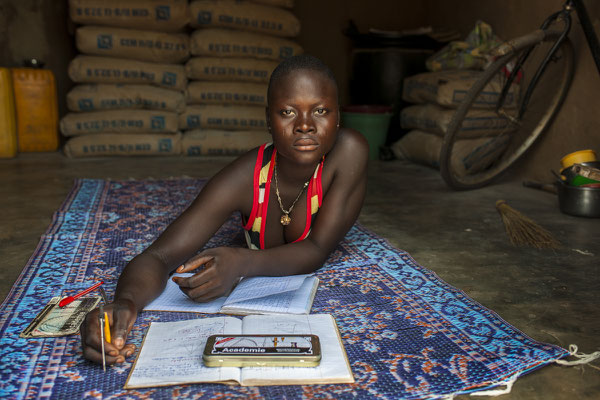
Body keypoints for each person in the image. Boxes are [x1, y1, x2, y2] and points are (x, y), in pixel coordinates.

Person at [80, 54, 369, 364]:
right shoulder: (245, 177)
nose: (304, 126)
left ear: (337, 118)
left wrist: (242, 263)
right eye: (287, 111)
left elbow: (316, 249)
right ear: (268, 120)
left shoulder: (349, 152)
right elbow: (159, 256)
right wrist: (125, 303)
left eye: (321, 111)